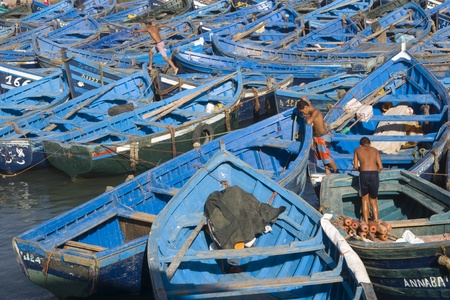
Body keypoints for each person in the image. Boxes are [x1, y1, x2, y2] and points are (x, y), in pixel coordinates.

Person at [296, 98, 339, 174]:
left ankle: (336, 171)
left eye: (303, 112)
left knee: (326, 157)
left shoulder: (315, 111)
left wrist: (306, 116)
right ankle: (328, 174)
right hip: (318, 137)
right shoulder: (310, 110)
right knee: (323, 158)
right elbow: (303, 97)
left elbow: (309, 122)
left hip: (324, 137)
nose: (303, 114)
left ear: (306, 107)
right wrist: (304, 101)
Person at [353, 137, 383, 223]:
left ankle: (366, 221)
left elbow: (355, 166)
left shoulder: (357, 150)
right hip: (374, 173)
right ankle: (376, 220)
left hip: (364, 174)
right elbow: (380, 167)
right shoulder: (375, 150)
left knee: (364, 199)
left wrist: (362, 170)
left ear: (360, 144)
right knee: (373, 199)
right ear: (370, 144)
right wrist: (375, 173)